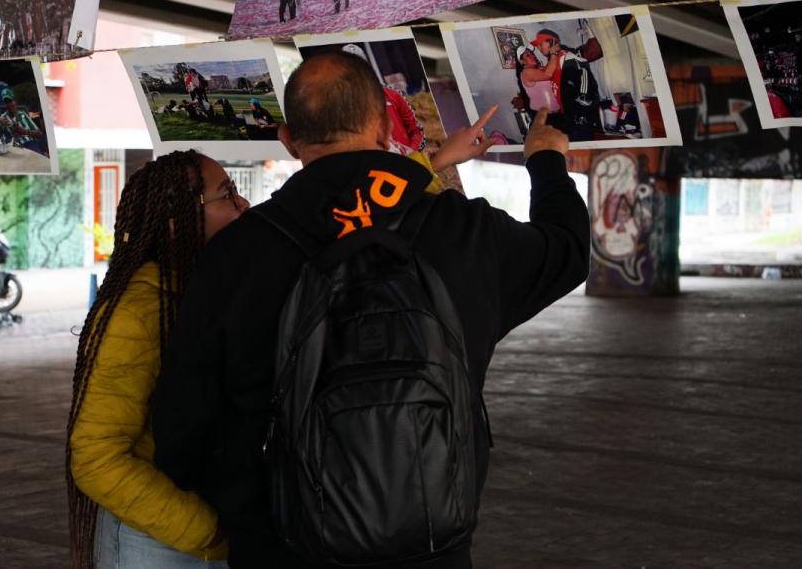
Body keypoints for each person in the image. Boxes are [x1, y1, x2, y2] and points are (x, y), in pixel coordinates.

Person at [152, 52, 589, 569]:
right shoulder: (466, 232)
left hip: (281, 546)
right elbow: (566, 250)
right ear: (383, 128)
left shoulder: (237, 252)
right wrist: (545, 158)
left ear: (289, 140)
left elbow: (183, 421)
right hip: (430, 543)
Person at [66, 151, 248, 569]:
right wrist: (206, 531)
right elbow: (96, 457)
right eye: (227, 195)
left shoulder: (192, 296)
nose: (243, 206)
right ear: (176, 220)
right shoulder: (138, 310)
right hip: (157, 541)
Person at [340, 43, 425, 155]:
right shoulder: (342, 105)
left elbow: (416, 131)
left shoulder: (392, 93)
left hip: (406, 161)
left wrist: (411, 153)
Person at [533, 29, 601, 142]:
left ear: (551, 42)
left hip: (579, 118)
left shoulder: (567, 57)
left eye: (540, 44)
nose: (538, 48)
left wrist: (581, 113)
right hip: (567, 116)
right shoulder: (553, 60)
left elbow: (584, 76)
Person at [515, 44, 561, 118]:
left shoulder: (540, 69)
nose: (533, 56)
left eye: (532, 54)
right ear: (522, 61)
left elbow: (553, 68)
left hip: (556, 115)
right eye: (527, 55)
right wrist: (553, 53)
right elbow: (548, 74)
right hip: (545, 119)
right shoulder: (525, 72)